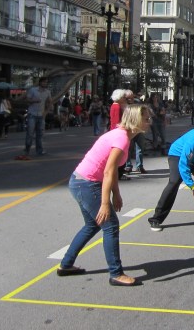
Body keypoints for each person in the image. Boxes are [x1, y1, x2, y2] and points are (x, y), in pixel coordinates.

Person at [57, 104, 150, 286]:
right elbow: (108, 172)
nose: (149, 122)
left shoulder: (123, 136)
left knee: (92, 225)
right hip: (86, 184)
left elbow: (113, 170)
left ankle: (66, 264)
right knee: (111, 225)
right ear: (135, 120)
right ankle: (116, 273)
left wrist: (117, 194)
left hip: (82, 182)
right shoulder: (122, 138)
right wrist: (105, 203)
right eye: (146, 119)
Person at [24, 77, 51, 157]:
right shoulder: (33, 90)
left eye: (46, 82)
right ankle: (27, 150)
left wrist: (46, 112)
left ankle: (39, 150)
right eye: (43, 82)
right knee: (30, 133)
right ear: (40, 83)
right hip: (32, 114)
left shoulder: (47, 92)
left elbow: (50, 102)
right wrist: (34, 101)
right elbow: (27, 100)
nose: (45, 84)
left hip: (41, 115)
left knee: (40, 134)